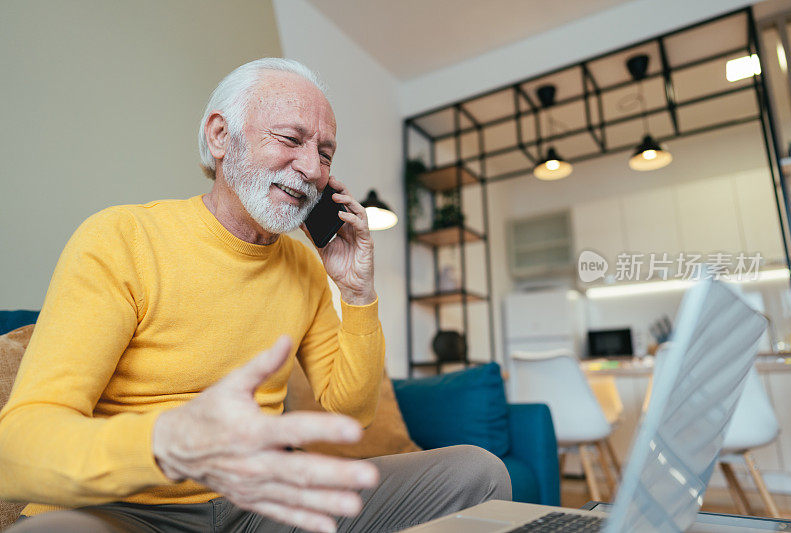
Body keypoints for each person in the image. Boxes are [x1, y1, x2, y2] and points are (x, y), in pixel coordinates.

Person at [0, 58, 511, 532]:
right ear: (221, 136)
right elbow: (17, 449)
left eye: (325, 153)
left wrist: (356, 292)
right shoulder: (122, 239)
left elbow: (349, 414)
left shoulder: (306, 271)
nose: (311, 167)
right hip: (129, 511)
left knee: (478, 475)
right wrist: (170, 442)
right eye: (291, 139)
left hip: (260, 507)